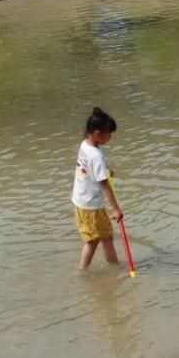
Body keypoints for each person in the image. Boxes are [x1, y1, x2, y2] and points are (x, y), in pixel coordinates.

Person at [72, 107, 124, 270]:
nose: (110, 137)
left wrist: (105, 173)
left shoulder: (84, 145)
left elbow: (85, 169)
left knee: (99, 238)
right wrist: (116, 209)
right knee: (100, 239)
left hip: (81, 201)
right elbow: (104, 184)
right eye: (109, 133)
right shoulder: (96, 156)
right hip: (92, 206)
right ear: (97, 133)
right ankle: (106, 268)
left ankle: (97, 267)